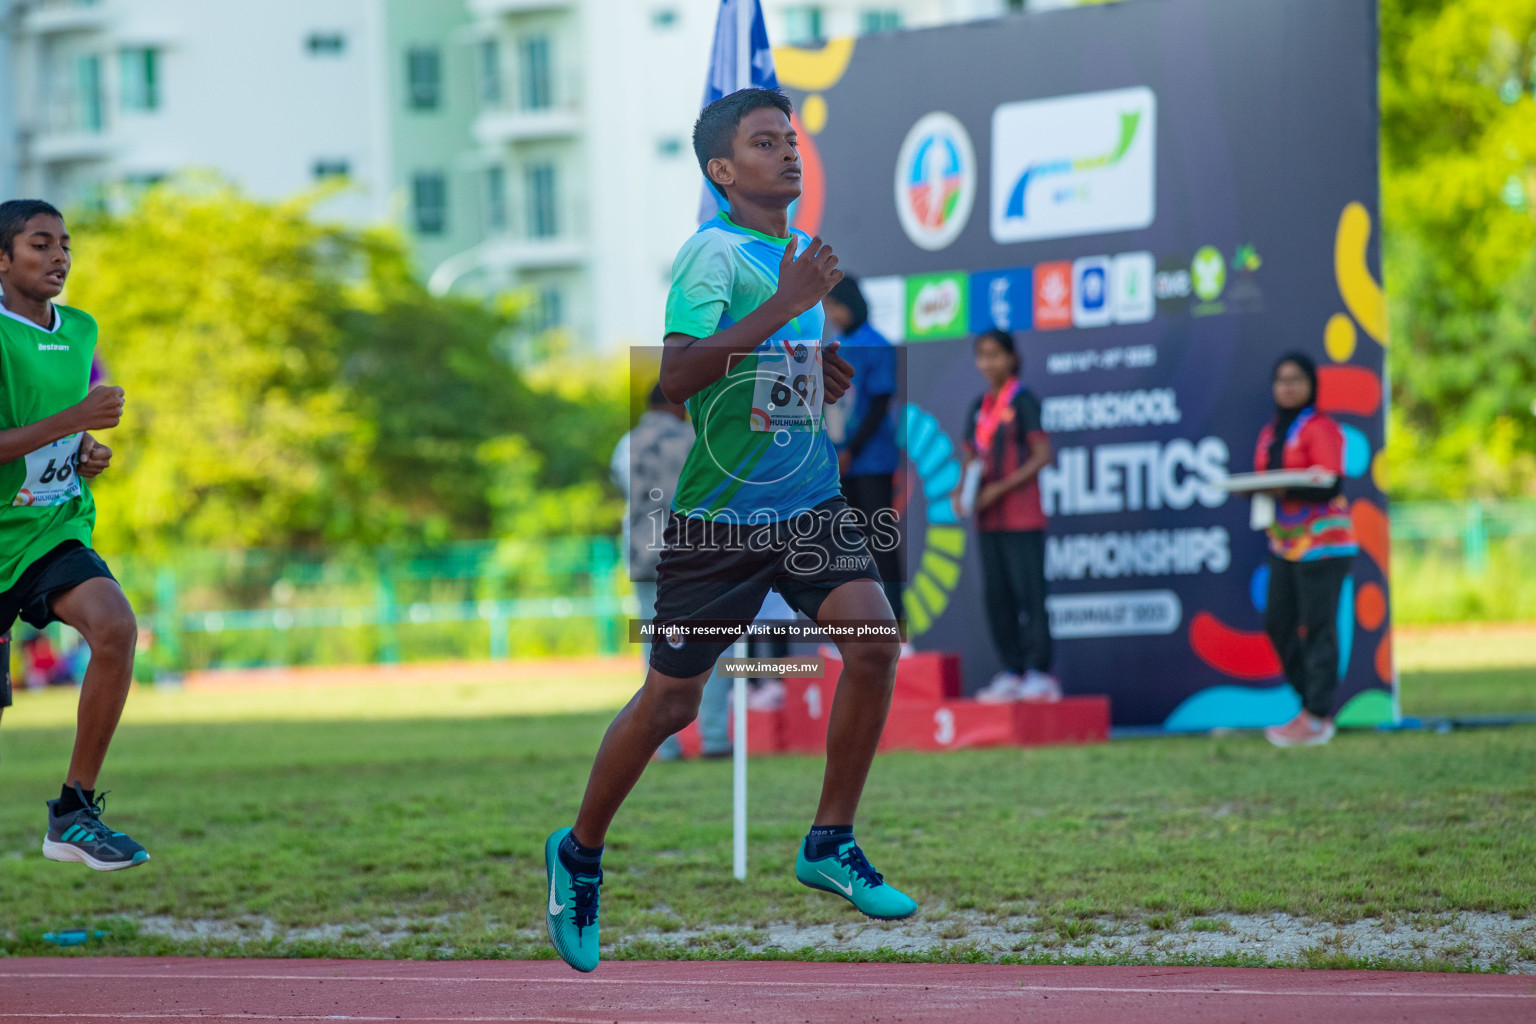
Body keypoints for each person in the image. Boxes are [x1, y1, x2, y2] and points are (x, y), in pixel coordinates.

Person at [543, 88, 914, 974]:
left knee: (873, 644)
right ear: (723, 169)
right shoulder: (712, 254)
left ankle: (829, 841)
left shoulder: (799, 261)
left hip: (807, 503)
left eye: (790, 140)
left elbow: (754, 376)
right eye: (764, 142)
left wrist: (810, 370)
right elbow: (676, 377)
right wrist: (788, 308)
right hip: (718, 522)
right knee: (671, 702)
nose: (788, 153)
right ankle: (581, 852)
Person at [0, 198, 149, 870]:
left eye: (65, 244)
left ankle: (74, 811)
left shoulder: (82, 330)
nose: (59, 256)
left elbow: (69, 427)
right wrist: (73, 420)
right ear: (2, 260)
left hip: (50, 528)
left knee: (115, 627)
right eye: (39, 244)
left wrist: (88, 448)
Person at [609, 382, 731, 759]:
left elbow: (624, 489)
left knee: (653, 649)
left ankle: (662, 745)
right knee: (712, 641)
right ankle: (713, 738)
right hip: (695, 551)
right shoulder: (696, 437)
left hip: (644, 554)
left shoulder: (626, 444)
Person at [1254, 352, 1358, 748]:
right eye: (1281, 379)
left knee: (1318, 627)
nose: (1289, 386)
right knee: (1278, 623)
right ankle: (1308, 704)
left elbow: (1330, 483)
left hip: (1324, 544)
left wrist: (1286, 488)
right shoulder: (1270, 433)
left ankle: (1317, 716)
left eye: (1297, 378)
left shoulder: (1319, 427)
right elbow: (1264, 481)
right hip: (1284, 542)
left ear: (1311, 383)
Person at [956, 329, 1060, 703]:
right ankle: (1013, 670)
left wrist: (1001, 488)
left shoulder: (1024, 400)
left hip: (1022, 516)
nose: (988, 363)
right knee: (997, 597)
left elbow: (1042, 455)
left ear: (1012, 358)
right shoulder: (978, 407)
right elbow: (971, 457)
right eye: (982, 355)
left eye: (996, 354)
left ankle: (1040, 673)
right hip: (988, 519)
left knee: (1029, 595)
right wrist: (961, 492)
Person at [822, 275, 904, 627]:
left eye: (833, 307)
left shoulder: (878, 344)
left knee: (881, 543)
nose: (830, 315)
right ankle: (859, 630)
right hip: (841, 465)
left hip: (871, 462)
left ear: (849, 304)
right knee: (848, 549)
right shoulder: (833, 345)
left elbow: (879, 403)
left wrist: (851, 450)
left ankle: (897, 626)